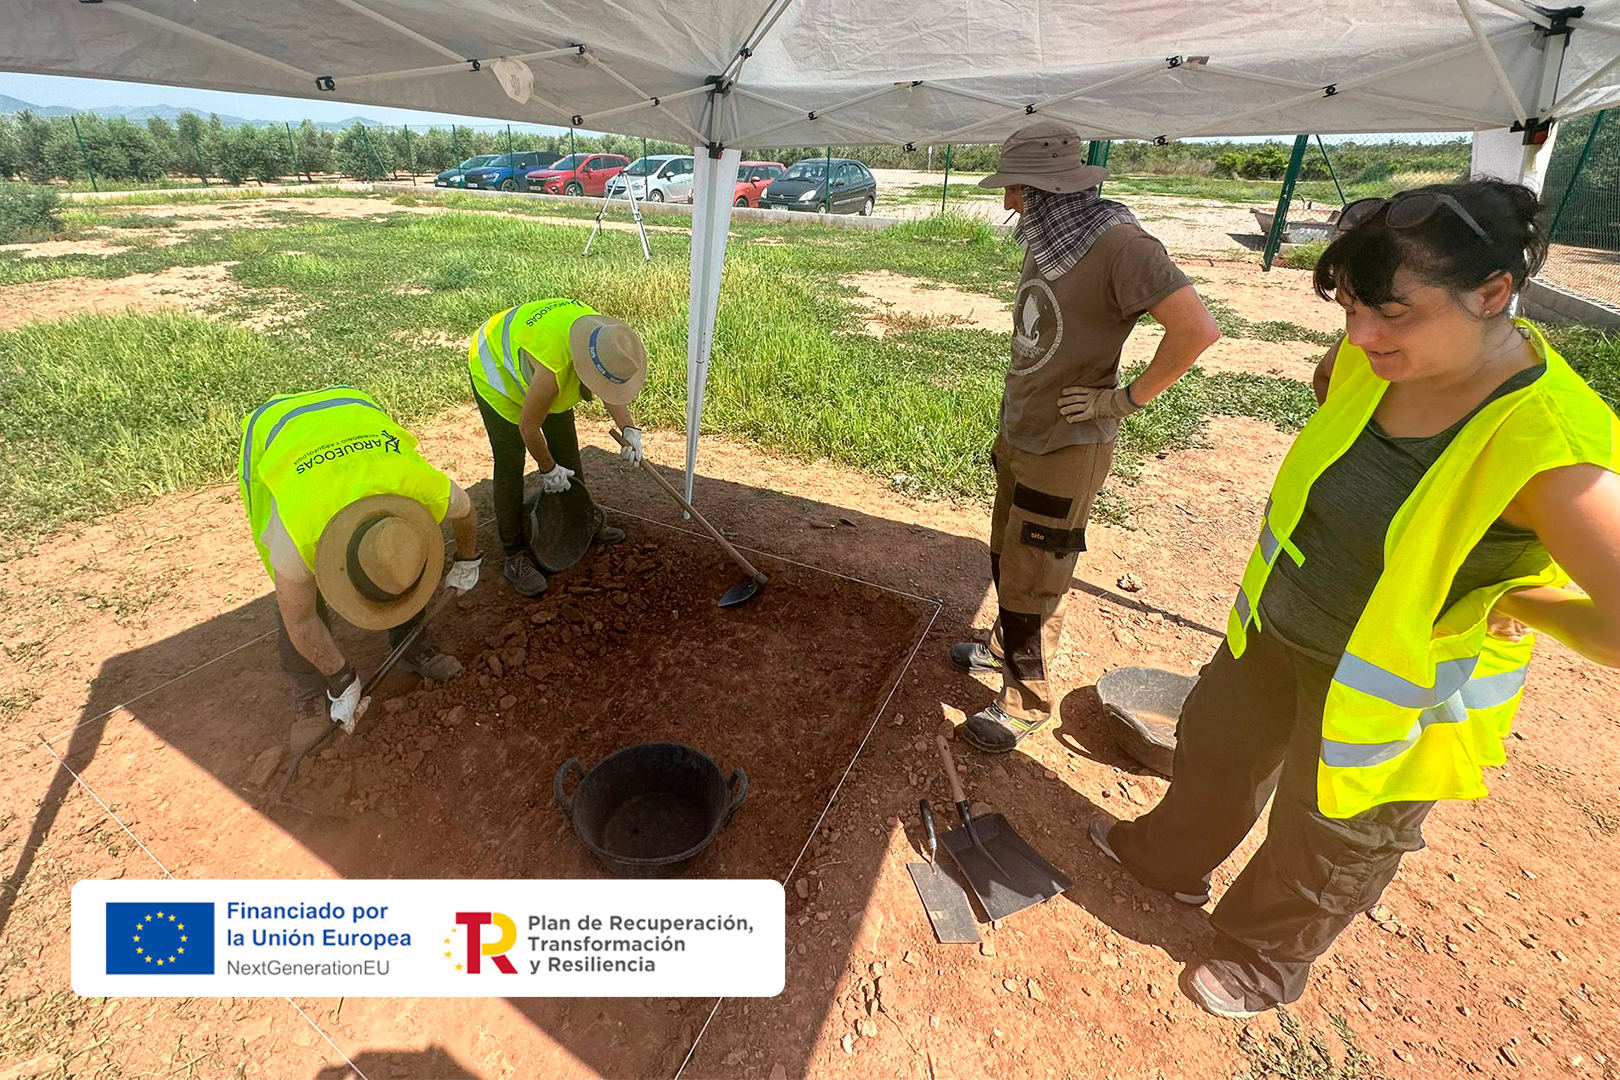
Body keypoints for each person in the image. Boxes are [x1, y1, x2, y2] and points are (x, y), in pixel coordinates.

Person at [1092, 179, 1620, 1019]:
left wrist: (1524, 600)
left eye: (1393, 314)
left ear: (1492, 296)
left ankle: (1265, 957)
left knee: (1331, 835)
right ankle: (1166, 858)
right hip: (1278, 625)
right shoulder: (1365, 361)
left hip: (1388, 688)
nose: (1363, 336)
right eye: (1350, 310)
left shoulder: (1555, 447)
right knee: (1216, 752)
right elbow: (1328, 386)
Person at [952, 119, 1220, 753]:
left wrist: (1124, 399)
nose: (1007, 199)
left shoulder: (1123, 245)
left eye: (1013, 185)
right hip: (1025, 426)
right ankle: (1001, 650)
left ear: (1041, 186)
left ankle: (1025, 700)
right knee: (1008, 554)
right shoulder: (1053, 235)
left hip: (1069, 444)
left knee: (1038, 568)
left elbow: (1196, 330)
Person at [239, 387, 483, 731]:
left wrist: (468, 560)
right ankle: (309, 686)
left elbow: (467, 512)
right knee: (292, 596)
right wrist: (341, 678)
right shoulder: (298, 535)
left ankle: (412, 646)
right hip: (274, 430)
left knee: (396, 564)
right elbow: (301, 620)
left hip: (352, 408)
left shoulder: (423, 488)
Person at [468, 298, 648, 597]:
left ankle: (581, 519)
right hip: (495, 366)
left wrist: (629, 428)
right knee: (510, 458)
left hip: (544, 354)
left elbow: (607, 384)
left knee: (566, 446)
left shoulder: (600, 337)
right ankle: (514, 553)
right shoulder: (553, 372)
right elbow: (528, 427)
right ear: (584, 370)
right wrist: (548, 469)